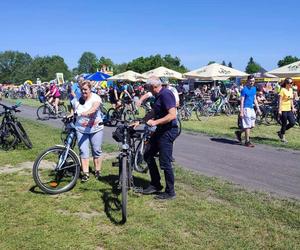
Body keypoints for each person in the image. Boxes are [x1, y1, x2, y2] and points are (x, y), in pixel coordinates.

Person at [134, 76, 178, 200]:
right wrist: (141, 121)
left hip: (168, 131)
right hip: (161, 130)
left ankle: (170, 192)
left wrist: (156, 122)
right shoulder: (158, 96)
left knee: (165, 162)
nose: (146, 89)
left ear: (153, 86)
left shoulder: (166, 94)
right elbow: (154, 111)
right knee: (148, 154)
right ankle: (155, 184)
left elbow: (172, 115)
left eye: (147, 87)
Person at [71, 80, 104, 182]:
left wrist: (87, 112)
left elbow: (94, 108)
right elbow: (72, 110)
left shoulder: (96, 97)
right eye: (82, 90)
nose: (83, 92)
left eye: (85, 89)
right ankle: (85, 173)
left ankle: (97, 170)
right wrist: (69, 115)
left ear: (90, 89)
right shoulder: (76, 99)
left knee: (96, 150)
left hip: (96, 128)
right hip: (81, 129)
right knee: (83, 151)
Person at [235, 75, 261, 147]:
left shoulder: (254, 89)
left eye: (253, 81)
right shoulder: (244, 89)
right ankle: (247, 141)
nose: (252, 82)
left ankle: (239, 132)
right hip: (246, 108)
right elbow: (242, 101)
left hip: (251, 108)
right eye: (250, 81)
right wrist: (241, 111)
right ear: (247, 81)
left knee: (252, 125)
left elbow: (255, 99)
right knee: (248, 125)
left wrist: (258, 108)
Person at [277, 78, 296, 143]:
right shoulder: (282, 90)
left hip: (289, 109)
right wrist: (279, 110)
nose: (292, 84)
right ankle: (283, 137)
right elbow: (280, 101)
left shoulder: (291, 90)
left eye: (292, 83)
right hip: (283, 109)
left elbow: (291, 99)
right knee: (284, 124)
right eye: (291, 83)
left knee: (292, 123)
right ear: (286, 84)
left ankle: (280, 132)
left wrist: (293, 108)